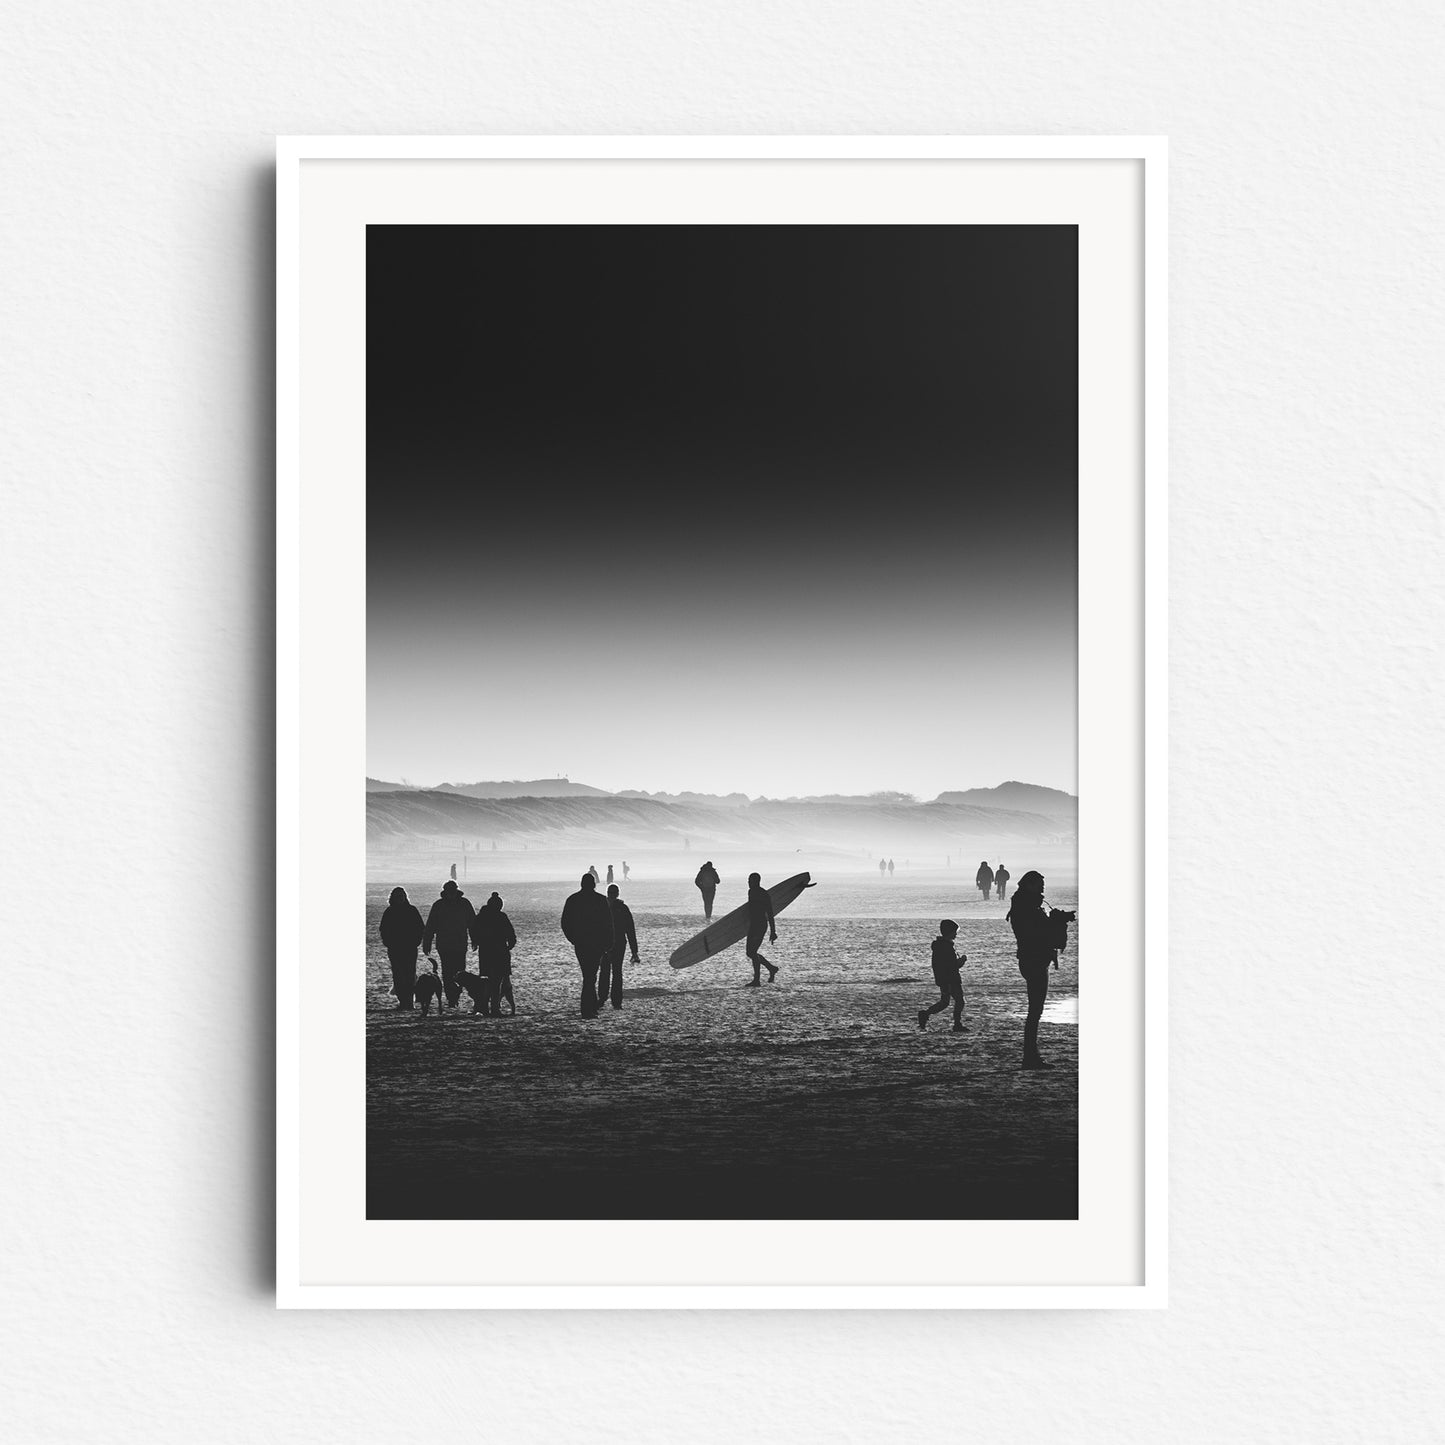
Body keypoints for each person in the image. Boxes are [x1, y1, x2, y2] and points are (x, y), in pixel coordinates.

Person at [1007, 870, 1059, 1069]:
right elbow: (1035, 933)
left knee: (1035, 1010)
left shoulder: (1024, 904)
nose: (1042, 888)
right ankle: (1030, 1056)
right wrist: (1054, 922)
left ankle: (1030, 1055)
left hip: (1032, 959)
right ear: (1029, 885)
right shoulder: (1027, 907)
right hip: (1034, 960)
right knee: (1035, 1010)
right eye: (1039, 884)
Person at [560, 873, 614, 1019]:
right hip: (596, 943)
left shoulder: (573, 900)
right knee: (591, 975)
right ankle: (588, 1008)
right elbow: (608, 924)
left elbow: (565, 923)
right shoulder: (601, 900)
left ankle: (590, 1007)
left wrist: (573, 939)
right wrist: (608, 943)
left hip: (581, 943)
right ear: (594, 884)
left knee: (588, 975)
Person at [421, 878, 476, 1009]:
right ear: (445, 891)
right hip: (444, 945)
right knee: (447, 971)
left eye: (453, 890)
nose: (451, 893)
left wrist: (475, 939)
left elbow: (472, 923)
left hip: (459, 943)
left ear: (456, 891)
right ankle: (451, 998)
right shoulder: (438, 905)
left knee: (459, 971)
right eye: (449, 891)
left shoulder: (464, 903)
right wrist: (427, 942)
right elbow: (431, 925)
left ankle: (455, 994)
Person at [469, 890, 517, 1017]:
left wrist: (476, 942)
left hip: (485, 952)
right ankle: (494, 1008)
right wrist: (510, 944)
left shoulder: (481, 917)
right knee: (496, 983)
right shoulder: (501, 917)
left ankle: (482, 1007)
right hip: (500, 951)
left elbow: (473, 931)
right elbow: (510, 934)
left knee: (485, 982)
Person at [378, 885, 425, 1009]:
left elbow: (420, 928)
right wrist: (387, 942)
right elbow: (383, 929)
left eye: (402, 896)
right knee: (398, 975)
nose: (400, 899)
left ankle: (408, 1001)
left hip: (409, 947)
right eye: (398, 897)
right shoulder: (390, 911)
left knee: (409, 974)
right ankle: (403, 1000)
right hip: (395, 948)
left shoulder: (411, 910)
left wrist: (416, 941)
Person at [917, 919, 966, 1033]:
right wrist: (962, 961)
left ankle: (925, 1014)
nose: (956, 934)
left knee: (945, 1002)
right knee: (959, 1001)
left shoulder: (941, 946)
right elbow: (952, 965)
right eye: (954, 932)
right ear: (950, 932)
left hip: (945, 979)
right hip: (950, 979)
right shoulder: (946, 947)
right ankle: (957, 1024)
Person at [599, 883, 640, 1009]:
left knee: (605, 971)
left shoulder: (602, 907)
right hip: (618, 944)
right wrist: (634, 951)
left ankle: (602, 999)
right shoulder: (623, 908)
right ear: (617, 894)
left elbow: (596, 927)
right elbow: (630, 930)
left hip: (604, 944)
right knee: (616, 972)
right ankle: (616, 1002)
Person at [744, 872, 778, 985]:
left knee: (752, 952)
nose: (748, 882)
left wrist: (773, 931)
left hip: (760, 925)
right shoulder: (751, 892)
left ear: (756, 881)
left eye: (750, 880)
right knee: (750, 952)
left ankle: (757, 980)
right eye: (748, 880)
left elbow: (770, 912)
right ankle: (771, 968)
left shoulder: (763, 894)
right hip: (753, 924)